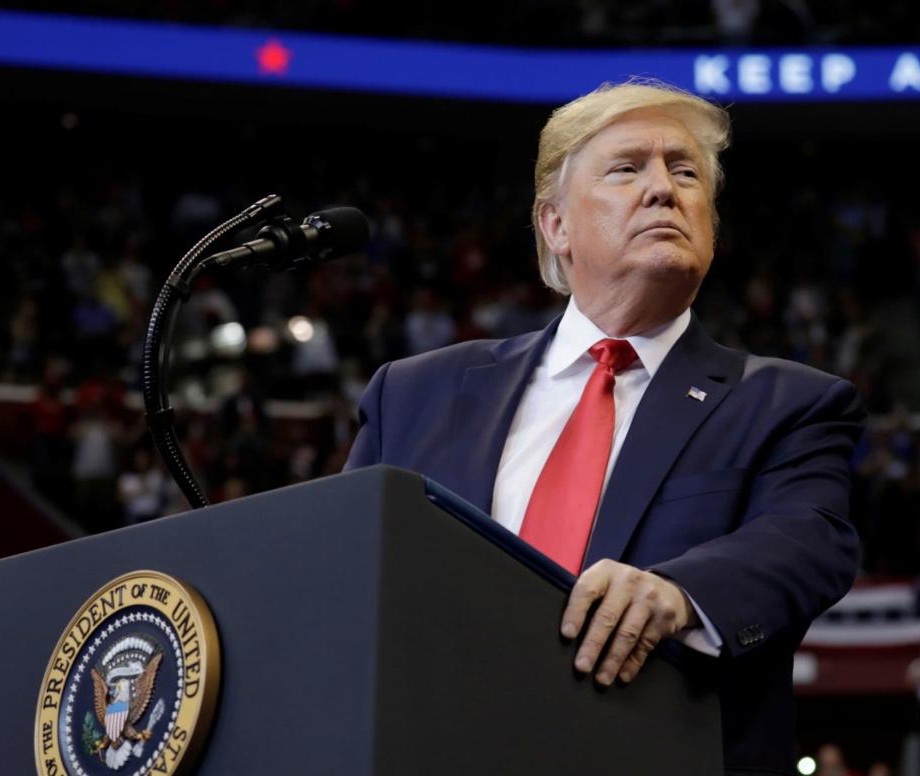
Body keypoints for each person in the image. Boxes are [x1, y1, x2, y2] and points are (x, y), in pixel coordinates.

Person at [345, 80, 864, 774]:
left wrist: (679, 593)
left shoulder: (787, 403)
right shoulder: (415, 395)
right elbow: (347, 582)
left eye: (684, 172)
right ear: (555, 225)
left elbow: (808, 540)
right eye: (628, 168)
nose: (663, 189)